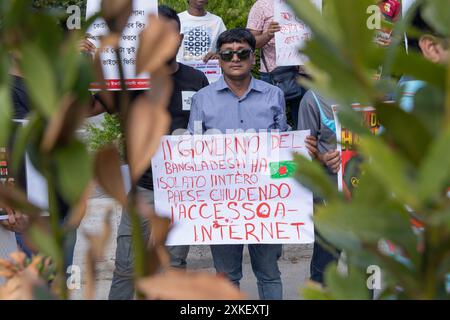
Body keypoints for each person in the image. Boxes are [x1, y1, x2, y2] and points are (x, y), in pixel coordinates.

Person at [188, 27, 317, 300]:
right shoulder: (202, 100)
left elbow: (283, 151)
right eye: (228, 54)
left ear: (253, 57)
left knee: (269, 273)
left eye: (242, 53)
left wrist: (299, 154)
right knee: (226, 276)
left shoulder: (274, 95)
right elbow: (193, 154)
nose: (235, 59)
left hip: (267, 202)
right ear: (220, 59)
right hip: (220, 203)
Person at [108, 5, 210, 300]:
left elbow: (212, 132)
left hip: (183, 193)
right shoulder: (132, 79)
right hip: (143, 188)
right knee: (127, 268)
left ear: (179, 38)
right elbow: (95, 106)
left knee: (173, 266)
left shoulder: (197, 80)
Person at [297, 91, 341, 285]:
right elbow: (302, 151)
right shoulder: (313, 98)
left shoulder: (372, 91)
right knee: (325, 267)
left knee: (366, 270)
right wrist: (322, 158)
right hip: (328, 198)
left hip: (367, 199)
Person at [246, 0, 307, 128]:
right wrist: (268, 34)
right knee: (271, 122)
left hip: (306, 73)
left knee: (305, 123)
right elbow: (250, 43)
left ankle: (304, 148)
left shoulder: (308, 4)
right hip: (274, 73)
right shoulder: (262, 5)